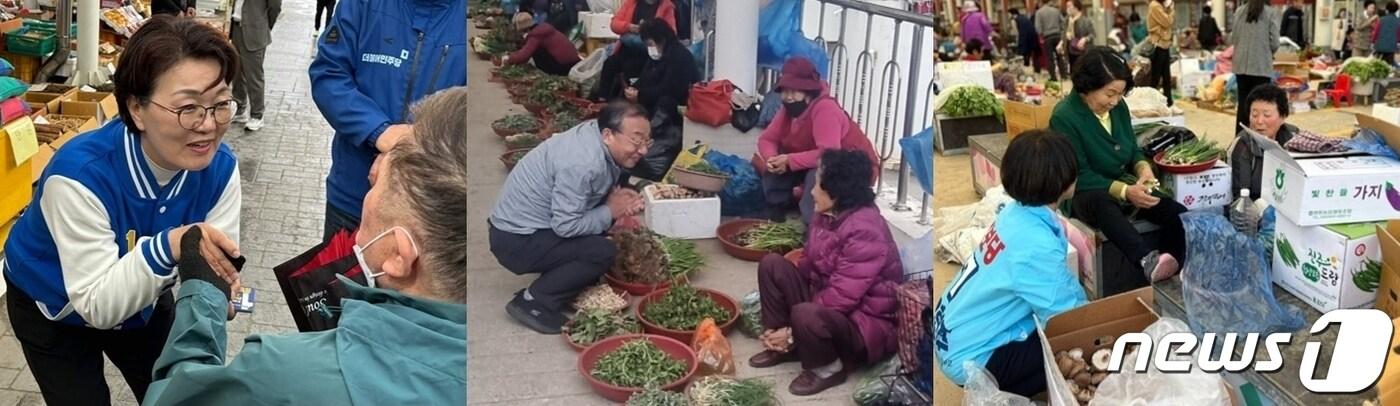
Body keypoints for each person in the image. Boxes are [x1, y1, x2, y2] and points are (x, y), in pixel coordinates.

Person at [142, 87, 469, 405]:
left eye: (375, 185)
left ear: (399, 254)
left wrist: (202, 294)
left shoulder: (280, 375)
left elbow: (175, 396)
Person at [1, 16, 243, 405]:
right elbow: (98, 304)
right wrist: (172, 245)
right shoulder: (80, 176)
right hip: (52, 302)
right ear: (137, 108)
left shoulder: (220, 169)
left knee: (175, 394)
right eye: (189, 108)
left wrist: (215, 293)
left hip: (143, 295)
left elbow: (213, 265)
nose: (208, 125)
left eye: (220, 104)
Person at [933, 129, 1088, 398]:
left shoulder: (1015, 213)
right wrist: (1102, 323)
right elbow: (1064, 314)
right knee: (1076, 352)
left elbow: (1055, 284)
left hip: (953, 335)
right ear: (1065, 181)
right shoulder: (1035, 244)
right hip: (972, 360)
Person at [749, 149, 903, 396]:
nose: (811, 191)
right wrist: (786, 325)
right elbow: (809, 264)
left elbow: (842, 296)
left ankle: (829, 368)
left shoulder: (865, 229)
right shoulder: (827, 214)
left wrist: (794, 330)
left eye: (818, 184)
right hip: (832, 305)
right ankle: (780, 344)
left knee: (806, 313)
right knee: (772, 264)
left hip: (865, 323)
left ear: (837, 191)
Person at [310, 0, 467, 240]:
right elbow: (329, 74)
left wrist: (420, 143)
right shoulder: (362, 5)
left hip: (431, 214)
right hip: (353, 200)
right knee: (343, 277)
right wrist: (380, 132)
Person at [488, 102, 650, 334]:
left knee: (601, 228)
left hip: (529, 229)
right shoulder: (583, 163)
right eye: (636, 140)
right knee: (602, 252)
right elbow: (566, 226)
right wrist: (611, 210)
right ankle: (533, 301)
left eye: (646, 141)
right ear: (607, 134)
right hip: (515, 241)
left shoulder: (593, 136)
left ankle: (562, 273)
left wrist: (612, 201)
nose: (643, 150)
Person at [1050, 47, 1186, 284]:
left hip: (1125, 182)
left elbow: (1132, 149)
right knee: (1104, 205)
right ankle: (1147, 260)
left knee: (1174, 212)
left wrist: (1143, 168)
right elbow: (1078, 174)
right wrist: (1125, 191)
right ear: (1087, 87)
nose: (1114, 101)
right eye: (1109, 93)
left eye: (1120, 94)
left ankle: (1173, 265)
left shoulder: (1119, 108)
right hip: (1086, 192)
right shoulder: (1064, 117)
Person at [756, 57, 880, 226]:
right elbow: (767, 139)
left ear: (808, 92)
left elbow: (829, 153)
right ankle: (775, 212)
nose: (789, 97)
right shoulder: (787, 110)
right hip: (816, 160)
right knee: (777, 165)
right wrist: (772, 159)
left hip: (851, 169)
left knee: (817, 173)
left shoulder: (825, 109)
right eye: (785, 91)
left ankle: (813, 225)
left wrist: (790, 161)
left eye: (794, 91)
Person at [591, 0, 678, 101]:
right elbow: (614, 24)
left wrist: (649, 32)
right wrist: (630, 27)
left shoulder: (666, 6)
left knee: (631, 68)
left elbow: (671, 32)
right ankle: (602, 100)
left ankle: (631, 100)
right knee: (609, 64)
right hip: (627, 49)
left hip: (648, 54)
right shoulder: (631, 2)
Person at [1230, 84, 1299, 201]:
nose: (1259, 121)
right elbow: (1239, 197)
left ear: (1282, 117)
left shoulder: (1294, 137)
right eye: (1254, 115)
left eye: (1267, 115)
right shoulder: (1242, 146)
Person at [229, 0, 280, 132]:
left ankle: (257, 115)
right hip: (235, 28)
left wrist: (265, 26)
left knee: (254, 76)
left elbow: (275, 7)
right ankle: (239, 108)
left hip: (254, 31)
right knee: (237, 72)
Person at [1232, 0, 1280, 134]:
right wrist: (1268, 52)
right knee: (1260, 107)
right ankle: (1257, 138)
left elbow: (1233, 38)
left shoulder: (1239, 11)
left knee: (1243, 105)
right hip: (1260, 66)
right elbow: (1275, 42)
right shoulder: (1270, 13)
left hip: (1241, 65)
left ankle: (1240, 139)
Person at [500, 12, 582, 76]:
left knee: (536, 51)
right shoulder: (544, 29)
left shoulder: (536, 35)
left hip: (563, 68)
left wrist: (509, 59)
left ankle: (551, 74)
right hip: (574, 64)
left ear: (525, 29)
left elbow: (524, 55)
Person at [1147, 0, 1175, 107]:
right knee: (1156, 76)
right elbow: (1167, 21)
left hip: (1164, 44)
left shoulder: (1158, 6)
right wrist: (1171, 10)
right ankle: (1151, 101)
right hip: (1159, 44)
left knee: (1166, 76)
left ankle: (1168, 101)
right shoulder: (1155, 6)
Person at [1035, 0, 1067, 80]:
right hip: (1057, 36)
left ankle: (1053, 77)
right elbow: (1063, 22)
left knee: (1050, 58)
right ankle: (1064, 76)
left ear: (1041, 2)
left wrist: (1041, 34)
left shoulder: (1039, 12)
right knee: (1060, 56)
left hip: (1047, 37)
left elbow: (1038, 27)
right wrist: (1061, 31)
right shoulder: (1056, 10)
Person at [1064, 1, 1094, 68]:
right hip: (1070, 50)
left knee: (1083, 70)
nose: (1067, 9)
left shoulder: (1085, 20)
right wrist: (1062, 42)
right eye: (1066, 6)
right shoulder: (1067, 20)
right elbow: (1064, 32)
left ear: (1076, 7)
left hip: (1082, 50)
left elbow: (1092, 34)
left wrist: (1085, 39)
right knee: (1073, 71)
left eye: (1069, 6)